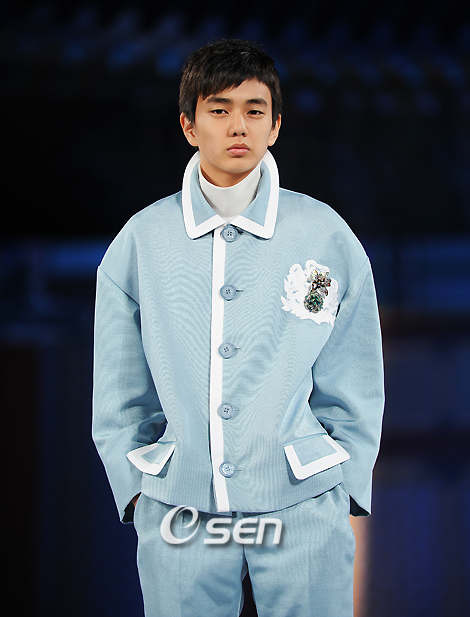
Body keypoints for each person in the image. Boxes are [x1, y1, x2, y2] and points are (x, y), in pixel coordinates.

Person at [92, 38, 384, 617]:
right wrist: (137, 490)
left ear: (275, 126)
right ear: (188, 125)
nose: (238, 127)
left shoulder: (323, 234)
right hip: (180, 507)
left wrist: (345, 482)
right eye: (219, 110)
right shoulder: (142, 240)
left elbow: (354, 375)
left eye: (254, 111)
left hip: (302, 501)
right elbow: (119, 391)